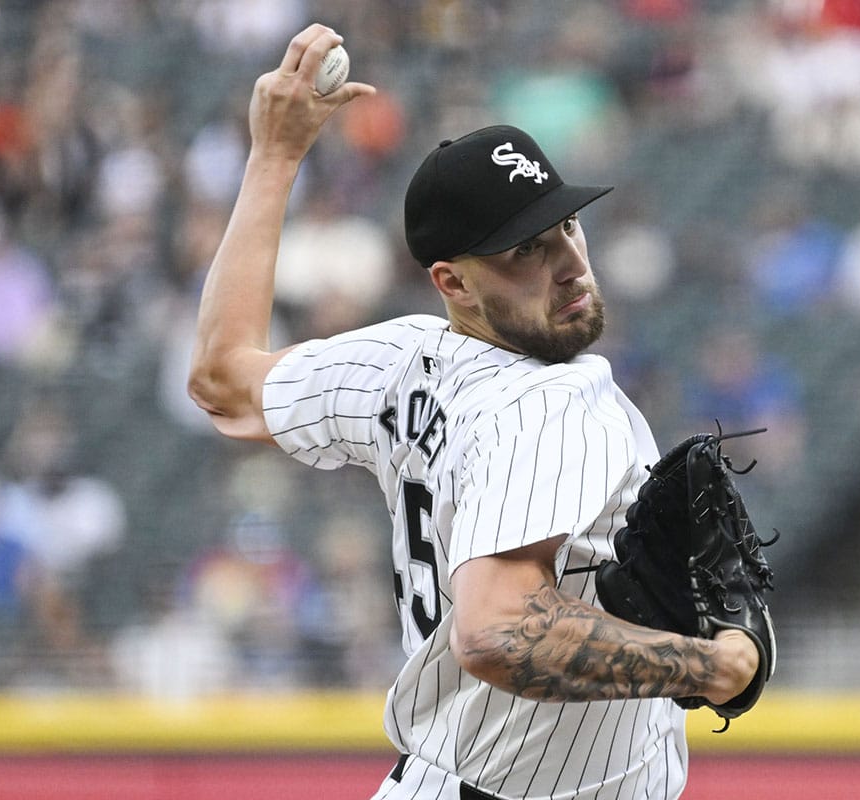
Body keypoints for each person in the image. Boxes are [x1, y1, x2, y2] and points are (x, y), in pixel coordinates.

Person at [188, 24, 760, 800]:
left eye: (566, 224)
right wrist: (712, 668)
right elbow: (495, 631)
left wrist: (274, 157)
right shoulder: (555, 401)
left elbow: (223, 377)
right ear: (452, 282)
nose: (568, 263)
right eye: (524, 249)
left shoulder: (398, 364)